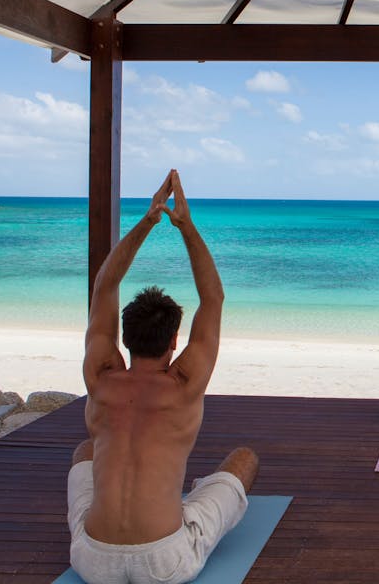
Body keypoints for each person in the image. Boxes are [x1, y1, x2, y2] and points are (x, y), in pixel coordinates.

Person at [68, 170, 259, 584]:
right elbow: (213, 296)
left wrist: (149, 218)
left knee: (86, 449)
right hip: (165, 561)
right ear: (175, 339)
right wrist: (185, 226)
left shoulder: (100, 377)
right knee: (244, 459)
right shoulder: (185, 384)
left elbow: (105, 285)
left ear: (125, 337)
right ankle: (185, 500)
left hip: (92, 561)